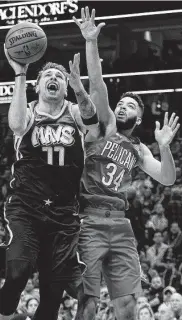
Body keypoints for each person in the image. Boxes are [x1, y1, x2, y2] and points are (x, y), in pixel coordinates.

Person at [73, 7, 180, 320]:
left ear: (139, 116)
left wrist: (164, 148)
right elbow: (98, 84)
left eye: (129, 105)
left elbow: (167, 178)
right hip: (89, 220)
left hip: (120, 223)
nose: (122, 107)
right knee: (88, 303)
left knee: (129, 306)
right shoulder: (105, 125)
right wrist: (91, 42)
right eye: (121, 104)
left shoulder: (138, 149)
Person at [0, 47, 99, 320]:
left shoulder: (75, 111)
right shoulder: (29, 111)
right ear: (39, 84)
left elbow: (93, 123)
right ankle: (5, 313)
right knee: (19, 272)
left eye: (60, 76)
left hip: (64, 214)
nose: (54, 77)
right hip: (26, 207)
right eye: (48, 75)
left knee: (53, 296)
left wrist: (79, 86)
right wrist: (20, 73)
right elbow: (17, 126)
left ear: (65, 88)